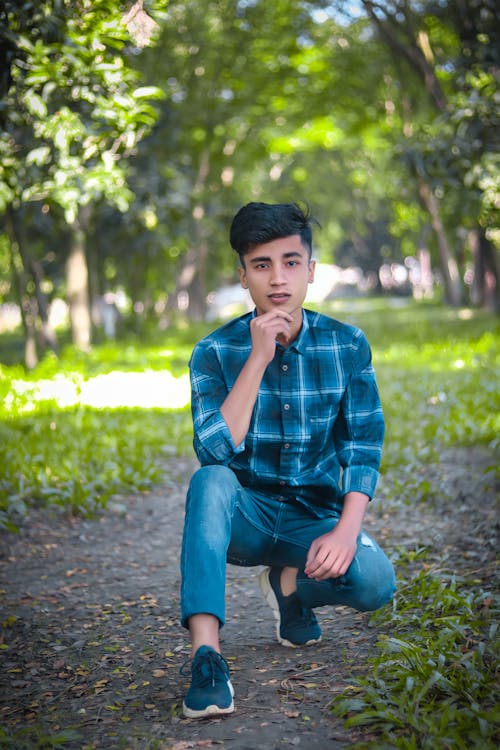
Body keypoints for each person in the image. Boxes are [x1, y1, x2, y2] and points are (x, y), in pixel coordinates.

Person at [179, 201, 396, 719]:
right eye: (262, 265)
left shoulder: (347, 344)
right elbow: (213, 449)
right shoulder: (214, 351)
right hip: (245, 518)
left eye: (291, 262)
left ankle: (289, 586)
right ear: (244, 276)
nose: (278, 278)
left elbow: (362, 442)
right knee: (210, 481)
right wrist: (257, 357)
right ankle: (206, 658)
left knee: (375, 582)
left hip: (311, 520)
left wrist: (345, 530)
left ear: (311, 271)